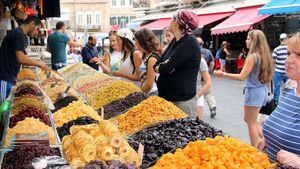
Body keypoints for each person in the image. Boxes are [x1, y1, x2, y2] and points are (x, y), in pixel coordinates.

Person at [214, 30, 273, 146]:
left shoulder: (253, 57)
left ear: (254, 41)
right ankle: (266, 142)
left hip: (253, 91)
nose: (246, 41)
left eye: (248, 39)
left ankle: (256, 147)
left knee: (251, 122)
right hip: (260, 90)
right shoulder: (264, 56)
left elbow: (242, 77)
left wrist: (224, 74)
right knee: (249, 120)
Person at [256, 33, 300, 168]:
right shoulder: (289, 92)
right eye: (288, 53)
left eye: (299, 55)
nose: (288, 60)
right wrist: (269, 139)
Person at [153, 9, 200, 117]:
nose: (170, 21)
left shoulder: (189, 42)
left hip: (181, 102)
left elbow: (165, 68)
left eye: (173, 18)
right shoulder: (175, 41)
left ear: (177, 22)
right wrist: (162, 66)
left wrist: (164, 66)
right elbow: (158, 64)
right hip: (167, 98)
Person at [0, 16, 48, 104]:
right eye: (37, 29)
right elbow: (21, 58)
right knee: (3, 108)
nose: (37, 33)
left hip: (9, 76)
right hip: (4, 77)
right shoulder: (19, 34)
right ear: (32, 24)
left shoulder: (18, 33)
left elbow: (21, 56)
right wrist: (39, 64)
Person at [134, 28, 160, 95]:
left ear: (141, 42)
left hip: (152, 94)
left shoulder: (152, 59)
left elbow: (149, 85)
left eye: (136, 41)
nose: (135, 43)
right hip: (146, 92)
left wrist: (138, 95)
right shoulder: (145, 56)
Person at [197, 37, 217, 118]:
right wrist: (209, 72)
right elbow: (212, 63)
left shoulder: (193, 51)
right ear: (202, 43)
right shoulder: (207, 51)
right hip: (205, 76)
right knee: (208, 93)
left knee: (198, 93)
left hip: (197, 77)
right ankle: (212, 107)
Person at [272, 33, 289, 104]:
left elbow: (273, 61)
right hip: (287, 72)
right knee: (288, 87)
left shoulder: (276, 49)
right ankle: (285, 101)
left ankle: (276, 102)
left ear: (280, 40)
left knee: (276, 87)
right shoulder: (289, 49)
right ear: (286, 39)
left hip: (278, 71)